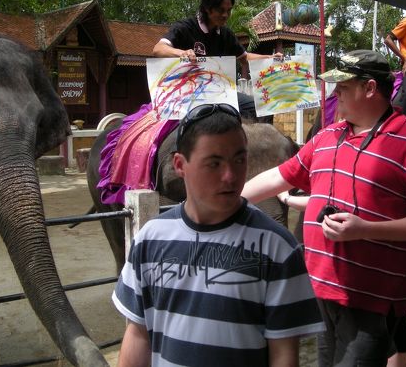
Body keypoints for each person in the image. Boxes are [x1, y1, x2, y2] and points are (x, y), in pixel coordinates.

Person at [243, 49, 406, 366]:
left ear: (369, 88)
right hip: (320, 291)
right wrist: (228, 202)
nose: (335, 92)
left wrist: (365, 229)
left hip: (371, 300)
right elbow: (279, 177)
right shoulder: (326, 137)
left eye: (343, 86)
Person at [112, 103, 325, 367]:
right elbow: (138, 336)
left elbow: (283, 354)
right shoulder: (150, 239)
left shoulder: (278, 248)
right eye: (214, 163)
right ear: (179, 165)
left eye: (239, 160)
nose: (231, 176)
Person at [153, 0, 278, 78]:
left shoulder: (226, 35)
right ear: (207, 8)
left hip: (217, 91)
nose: (225, 15)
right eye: (220, 10)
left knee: (251, 106)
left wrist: (271, 58)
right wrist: (181, 53)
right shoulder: (184, 28)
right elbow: (158, 49)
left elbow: (244, 58)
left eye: (229, 10)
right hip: (187, 93)